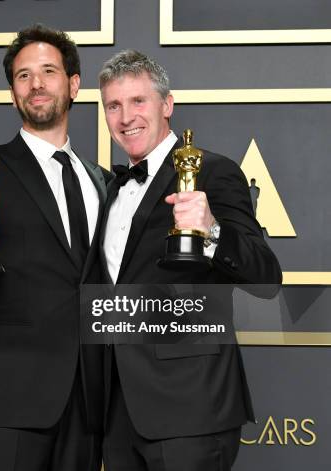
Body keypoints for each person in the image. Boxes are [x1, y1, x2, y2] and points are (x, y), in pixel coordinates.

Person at [97, 50, 282, 471]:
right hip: (117, 414)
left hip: (191, 411)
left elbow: (266, 277)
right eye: (114, 105)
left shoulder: (214, 173)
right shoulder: (109, 188)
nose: (126, 117)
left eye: (138, 101)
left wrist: (213, 230)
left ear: (167, 105)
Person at [0, 24, 111, 471]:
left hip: (88, 402)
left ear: (73, 85)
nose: (36, 84)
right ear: (13, 92)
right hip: (7, 401)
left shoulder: (103, 180)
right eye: (23, 76)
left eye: (48, 71)